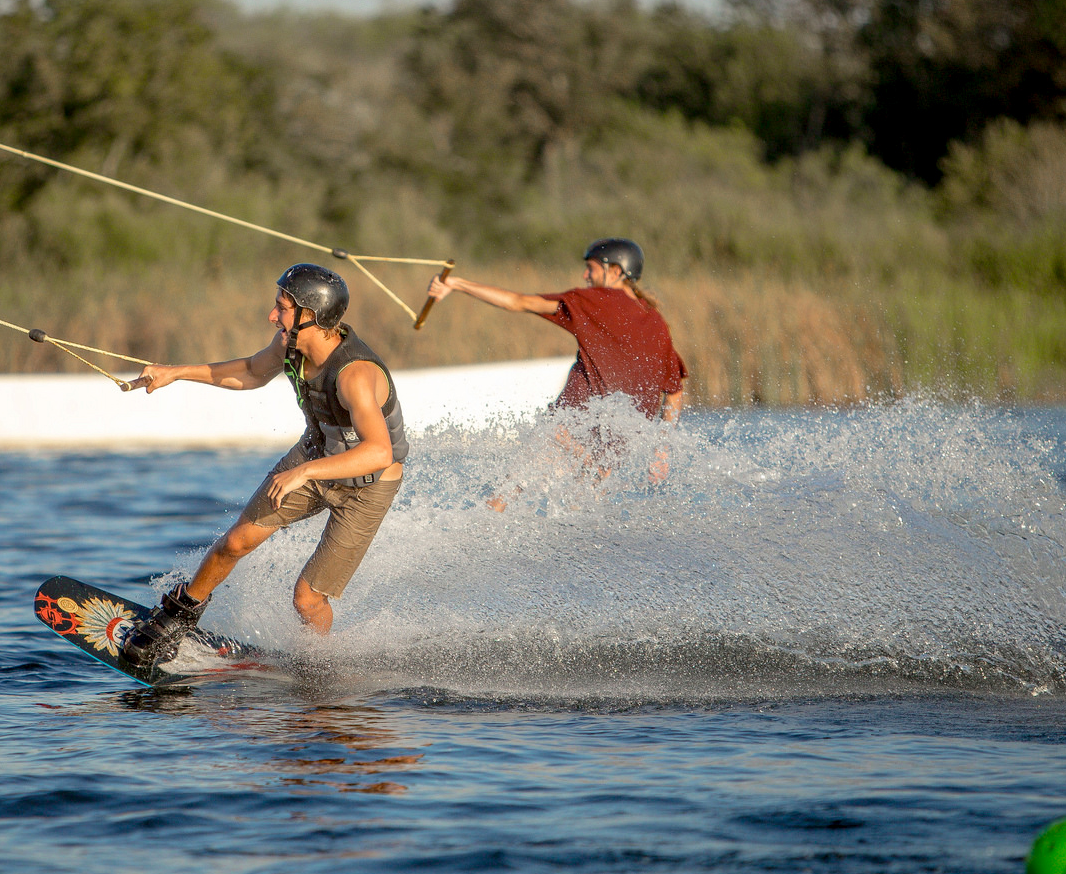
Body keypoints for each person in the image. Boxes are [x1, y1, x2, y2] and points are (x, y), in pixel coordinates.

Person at [119, 263, 408, 669]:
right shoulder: (290, 344)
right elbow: (252, 372)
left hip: (369, 483)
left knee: (307, 599)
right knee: (235, 542)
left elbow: (380, 451)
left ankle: (317, 664)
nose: (273, 316)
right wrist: (175, 373)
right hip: (317, 453)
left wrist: (303, 472)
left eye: (282, 308)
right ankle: (175, 619)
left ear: (313, 315)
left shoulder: (355, 375)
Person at [423, 237, 686, 423]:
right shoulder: (655, 319)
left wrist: (457, 284)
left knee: (508, 491)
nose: (585, 277)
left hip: (570, 427)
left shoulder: (592, 301)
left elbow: (518, 302)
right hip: (615, 443)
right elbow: (674, 391)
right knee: (585, 495)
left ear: (615, 271)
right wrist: (662, 449)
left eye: (590, 269)